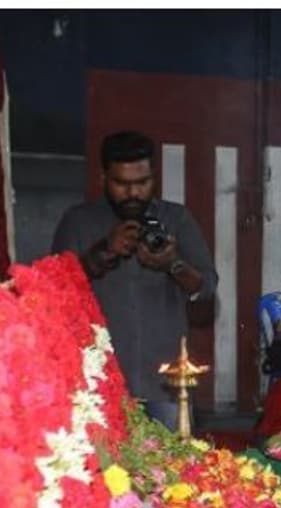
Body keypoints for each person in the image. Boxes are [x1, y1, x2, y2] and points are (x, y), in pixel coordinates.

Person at [51, 130, 217, 432]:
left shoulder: (177, 219)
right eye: (122, 184)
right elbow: (55, 288)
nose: (134, 193)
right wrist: (103, 251)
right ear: (104, 178)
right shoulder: (78, 221)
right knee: (104, 462)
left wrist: (173, 264)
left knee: (172, 461)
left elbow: (206, 289)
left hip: (165, 384)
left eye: (143, 183)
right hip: (99, 382)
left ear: (154, 177)